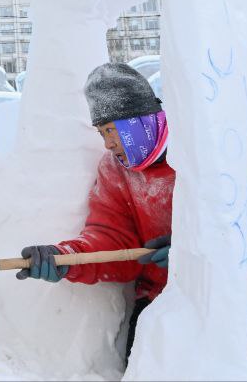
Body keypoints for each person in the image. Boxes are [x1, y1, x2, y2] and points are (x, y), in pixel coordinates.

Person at [17, 62, 175, 364]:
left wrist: (194, 251)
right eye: (102, 132)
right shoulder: (114, 169)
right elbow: (113, 240)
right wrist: (64, 258)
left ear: (139, 120)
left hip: (219, 296)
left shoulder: (197, 150)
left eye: (112, 129)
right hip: (156, 301)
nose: (108, 143)